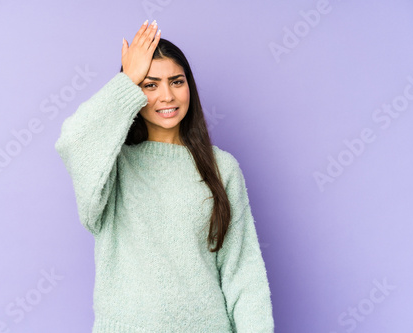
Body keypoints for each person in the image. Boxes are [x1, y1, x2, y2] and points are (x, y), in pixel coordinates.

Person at [55, 19, 274, 333]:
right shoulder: (112, 165)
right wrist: (127, 78)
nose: (167, 95)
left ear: (190, 86)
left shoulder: (222, 168)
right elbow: (73, 141)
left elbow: (243, 273)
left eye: (177, 81)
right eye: (150, 84)